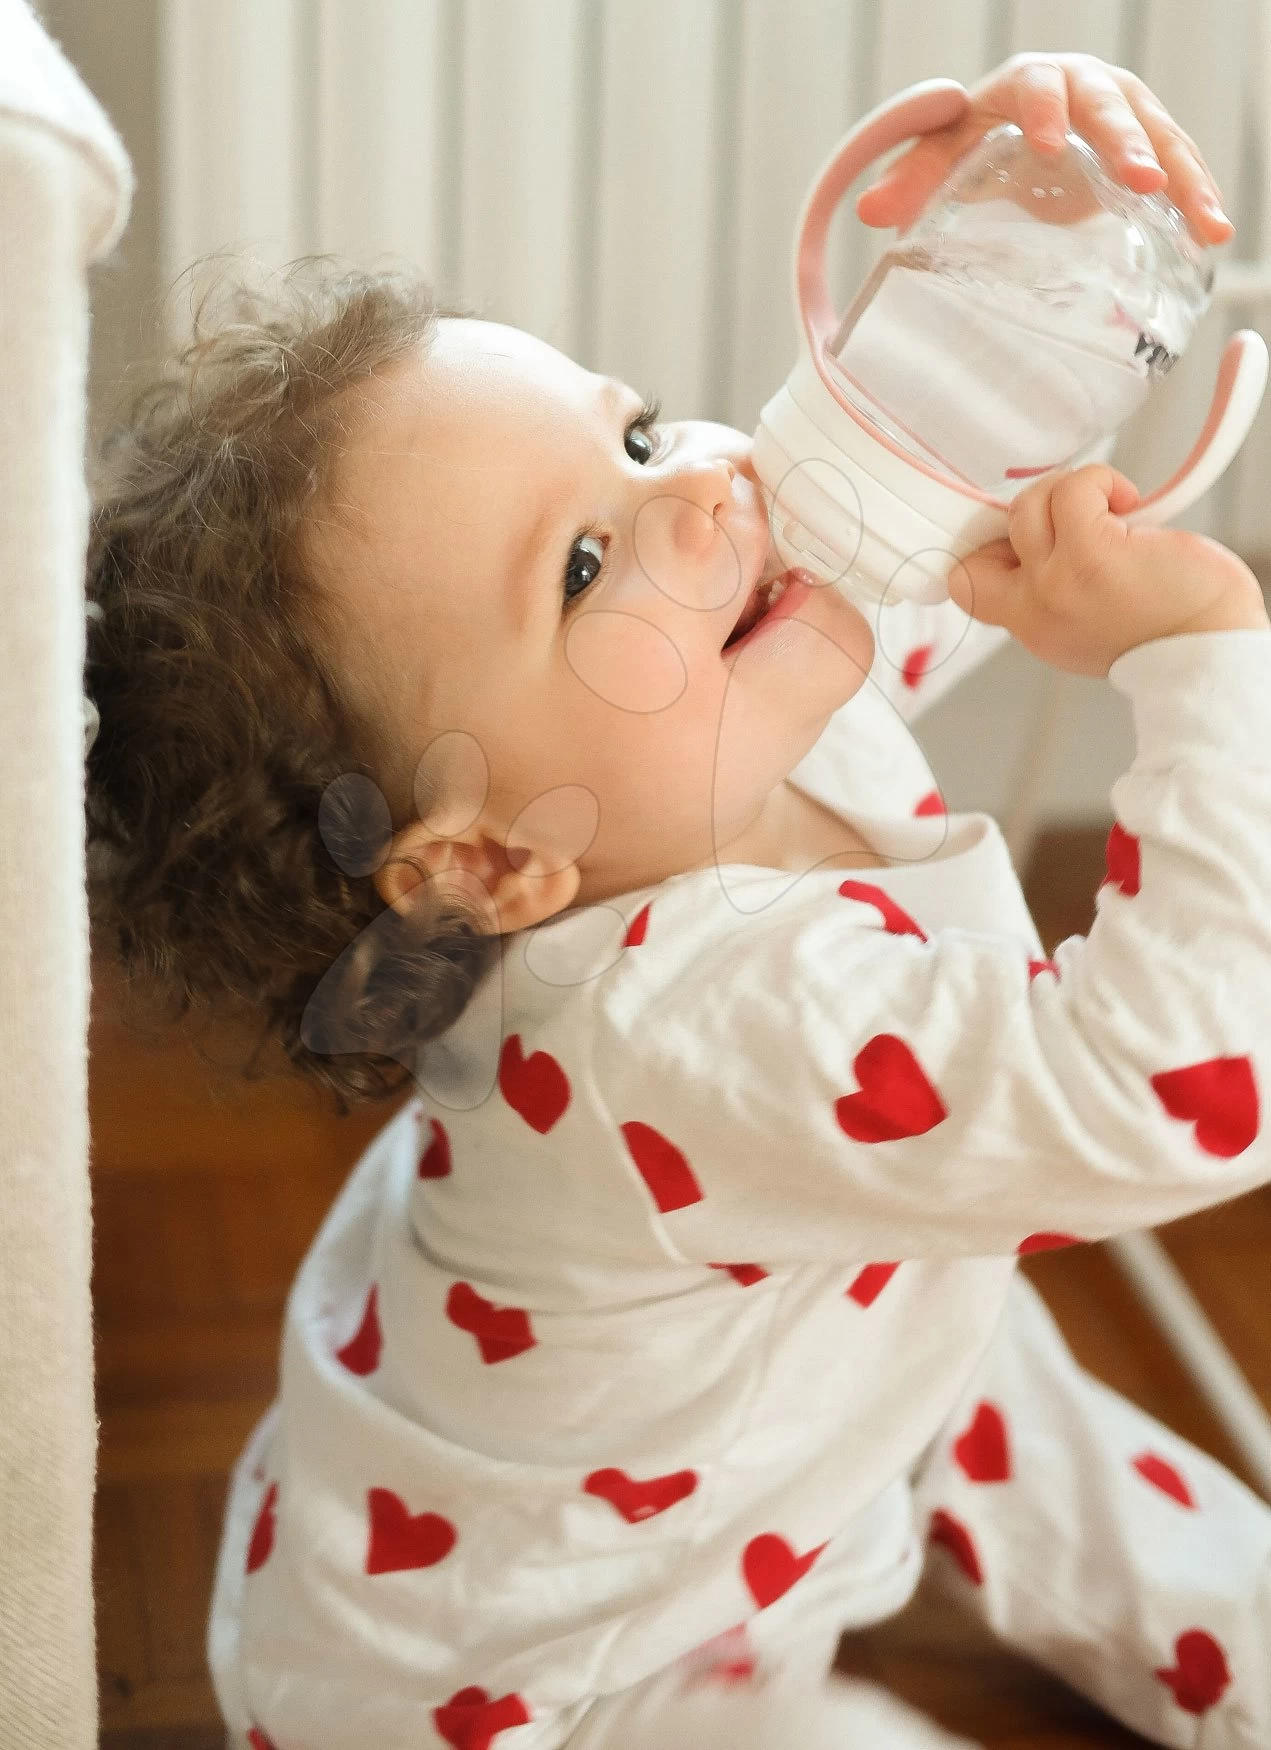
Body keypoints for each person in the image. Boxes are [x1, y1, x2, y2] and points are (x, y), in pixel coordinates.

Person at [84, 53, 1269, 1750]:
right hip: (558, 1684)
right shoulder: (696, 1023)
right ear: (491, 865)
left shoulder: (691, 731)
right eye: (584, 563)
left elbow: (921, 510)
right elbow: (1173, 1088)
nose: (707, 481)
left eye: (633, 429)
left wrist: (1021, 218)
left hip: (768, 1368)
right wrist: (1203, 667)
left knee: (971, 1348)